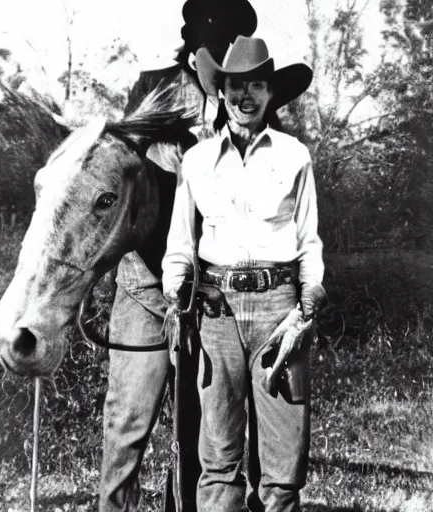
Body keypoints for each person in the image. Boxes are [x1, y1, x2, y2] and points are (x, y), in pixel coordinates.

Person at [99, 3, 258, 511]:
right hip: (145, 285)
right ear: (195, 46)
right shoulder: (154, 86)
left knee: (202, 423)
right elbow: (130, 183)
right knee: (128, 420)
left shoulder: (245, 98)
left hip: (212, 294)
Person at [162, 36, 327, 512]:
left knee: (282, 467)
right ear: (221, 92)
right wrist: (180, 298)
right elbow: (180, 247)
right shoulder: (195, 163)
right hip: (216, 313)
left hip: (280, 311)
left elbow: (308, 240)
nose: (245, 97)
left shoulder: (295, 155)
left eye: (256, 85)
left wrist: (308, 299)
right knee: (218, 458)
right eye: (236, 86)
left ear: (271, 94)